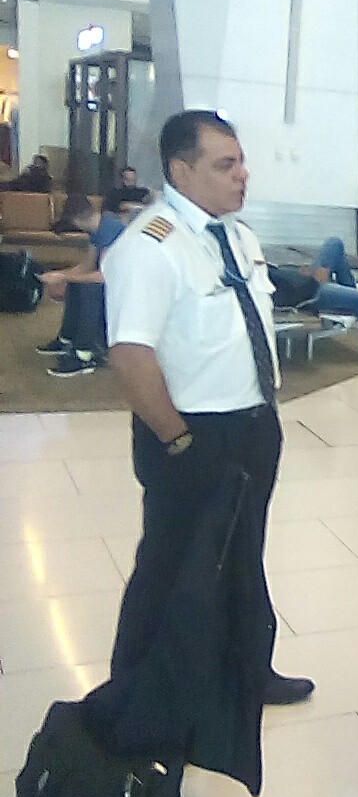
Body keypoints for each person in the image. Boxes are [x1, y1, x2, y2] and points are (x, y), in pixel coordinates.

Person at [102, 110, 313, 706]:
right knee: (169, 564)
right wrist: (177, 440)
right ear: (181, 170)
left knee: (244, 552)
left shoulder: (236, 236)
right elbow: (131, 356)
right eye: (226, 165)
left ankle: (249, 672)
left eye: (241, 161)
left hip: (254, 423)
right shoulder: (151, 246)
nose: (243, 175)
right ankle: (133, 695)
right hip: (190, 433)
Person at [269, 237, 358, 367]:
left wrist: (300, 273)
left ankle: (356, 302)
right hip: (307, 293)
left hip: (302, 280)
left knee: (335, 243)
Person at [37, 193, 125, 377]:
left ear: (76, 220)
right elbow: (86, 266)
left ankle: (84, 354)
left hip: (127, 289)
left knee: (88, 287)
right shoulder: (99, 228)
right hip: (117, 283)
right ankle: (66, 339)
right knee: (77, 281)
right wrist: (62, 276)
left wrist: (63, 276)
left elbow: (104, 277)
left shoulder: (111, 230)